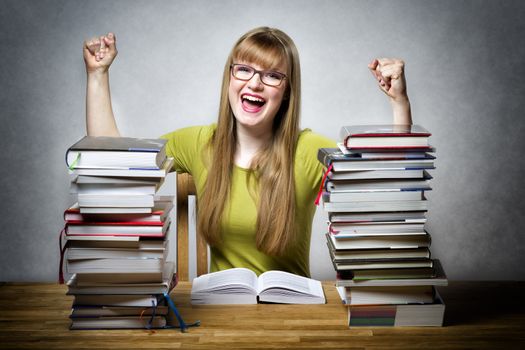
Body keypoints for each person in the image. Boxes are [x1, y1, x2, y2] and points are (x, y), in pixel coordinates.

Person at [83, 27, 412, 277]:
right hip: (218, 319)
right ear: (230, 78)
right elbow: (115, 165)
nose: (255, 83)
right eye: (244, 70)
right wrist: (98, 76)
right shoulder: (198, 143)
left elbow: (388, 197)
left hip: (291, 319)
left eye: (272, 76)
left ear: (286, 93)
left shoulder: (311, 150)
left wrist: (399, 104)